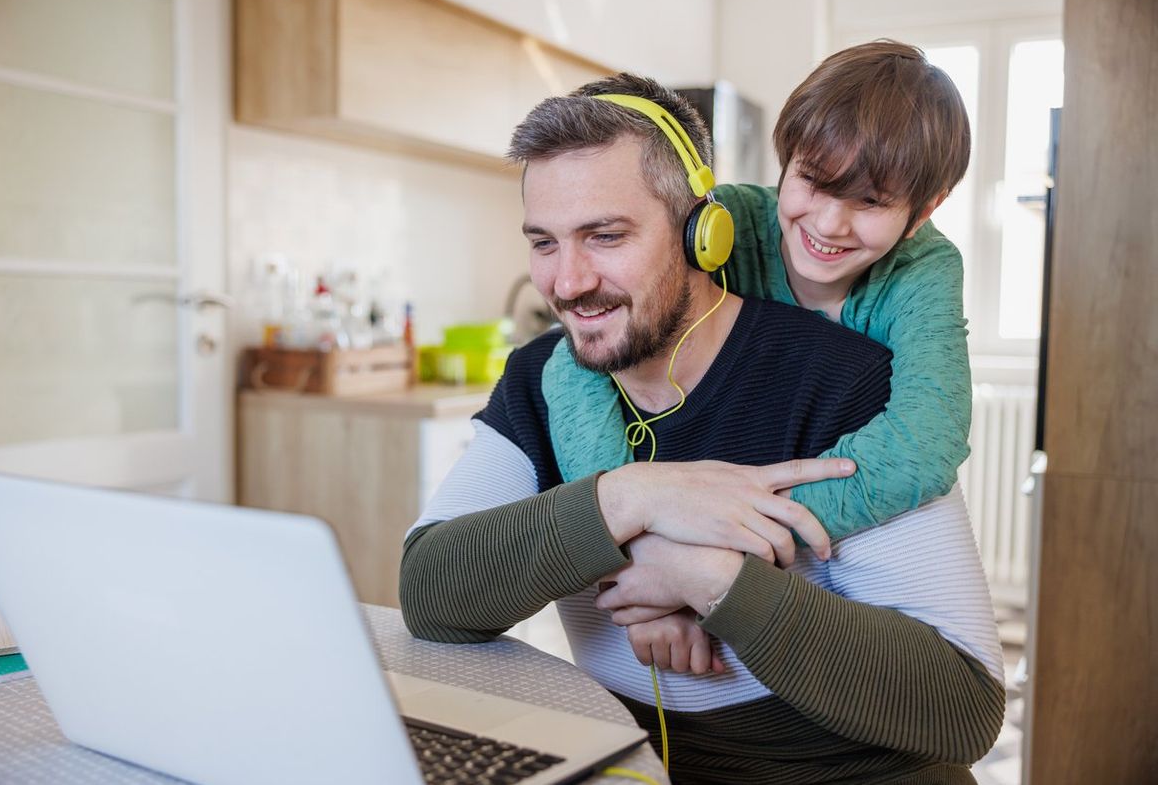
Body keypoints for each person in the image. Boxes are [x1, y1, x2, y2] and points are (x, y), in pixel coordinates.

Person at [400, 73, 1004, 783]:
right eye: (544, 242)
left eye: (605, 235)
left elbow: (962, 705)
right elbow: (430, 592)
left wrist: (710, 575)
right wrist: (631, 500)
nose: (567, 283)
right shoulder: (542, 379)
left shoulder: (855, 381)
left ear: (701, 228)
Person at [546, 40, 973, 545]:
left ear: (922, 213)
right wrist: (632, 525)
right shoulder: (718, 226)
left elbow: (924, 447)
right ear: (786, 163)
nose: (830, 223)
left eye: (871, 201)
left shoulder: (925, 269)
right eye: (813, 181)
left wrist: (722, 532)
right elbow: (569, 362)